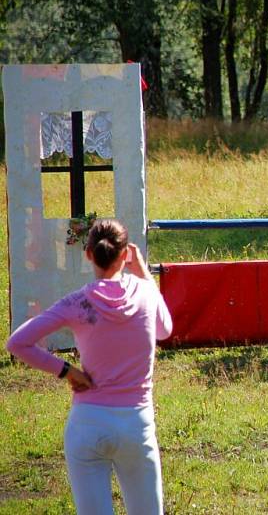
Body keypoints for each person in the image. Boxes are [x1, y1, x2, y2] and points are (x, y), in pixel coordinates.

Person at [6, 219, 173, 515]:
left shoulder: (77, 302)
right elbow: (165, 329)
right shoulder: (146, 292)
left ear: (88, 254)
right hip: (137, 424)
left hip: (88, 423)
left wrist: (67, 371)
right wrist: (143, 271)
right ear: (125, 255)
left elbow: (18, 342)